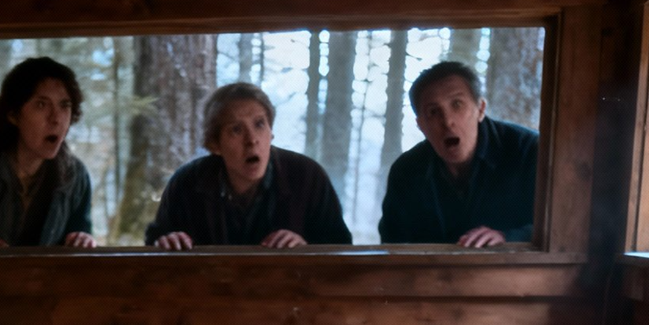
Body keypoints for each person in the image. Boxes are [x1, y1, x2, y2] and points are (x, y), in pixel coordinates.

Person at [145, 82, 351, 250]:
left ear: (271, 132)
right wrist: (166, 243)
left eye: (259, 124)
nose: (252, 140)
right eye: (236, 129)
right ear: (215, 144)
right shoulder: (187, 183)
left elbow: (341, 250)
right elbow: (155, 247)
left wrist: (307, 249)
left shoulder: (307, 177)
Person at [379, 60, 538, 247]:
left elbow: (561, 228)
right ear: (421, 125)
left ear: (480, 109)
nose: (447, 121)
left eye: (457, 104)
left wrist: (509, 238)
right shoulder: (406, 172)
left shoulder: (530, 151)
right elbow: (393, 246)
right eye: (433, 112)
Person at [0, 56, 95, 249]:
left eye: (64, 105)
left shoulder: (75, 176)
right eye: (41, 104)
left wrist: (83, 239)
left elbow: (81, 233)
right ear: (13, 115)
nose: (56, 118)